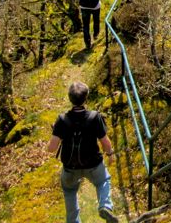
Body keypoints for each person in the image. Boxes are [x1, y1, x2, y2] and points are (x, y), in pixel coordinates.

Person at [47, 82, 118, 223]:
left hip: (70, 167)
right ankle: (105, 206)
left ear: (69, 98)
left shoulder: (62, 120)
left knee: (69, 192)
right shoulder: (94, 117)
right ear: (86, 98)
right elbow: (105, 141)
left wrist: (55, 132)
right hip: (93, 164)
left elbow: (51, 148)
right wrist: (110, 154)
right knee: (103, 180)